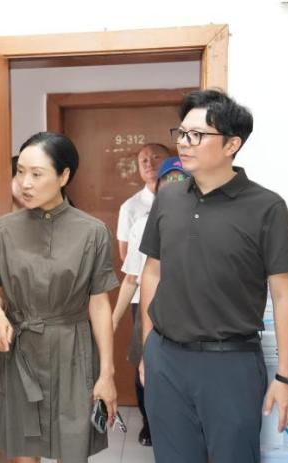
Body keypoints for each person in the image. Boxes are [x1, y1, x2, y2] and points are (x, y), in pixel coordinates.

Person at [139, 89, 288, 463]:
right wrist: (148, 348)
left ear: (232, 144)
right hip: (166, 358)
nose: (184, 142)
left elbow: (285, 296)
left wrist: (287, 377)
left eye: (197, 134)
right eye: (181, 133)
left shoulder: (266, 207)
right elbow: (152, 272)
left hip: (231, 362)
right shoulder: (169, 198)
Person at [0, 132, 119, 463]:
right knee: (24, 453)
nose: (25, 183)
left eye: (36, 174)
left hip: (73, 353)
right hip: (22, 353)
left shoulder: (93, 232)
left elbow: (99, 305)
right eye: (20, 172)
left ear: (64, 176)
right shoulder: (2, 229)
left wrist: (107, 373)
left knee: (72, 449)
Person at [111, 156, 190, 447]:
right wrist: (112, 320)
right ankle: (152, 424)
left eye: (182, 180)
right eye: (168, 181)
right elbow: (132, 278)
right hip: (149, 308)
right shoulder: (142, 225)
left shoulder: (205, 221)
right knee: (145, 365)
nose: (175, 187)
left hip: (190, 313)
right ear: (158, 187)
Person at [116, 144, 169, 262]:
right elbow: (125, 254)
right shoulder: (129, 207)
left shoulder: (188, 198)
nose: (149, 164)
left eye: (156, 157)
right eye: (144, 161)